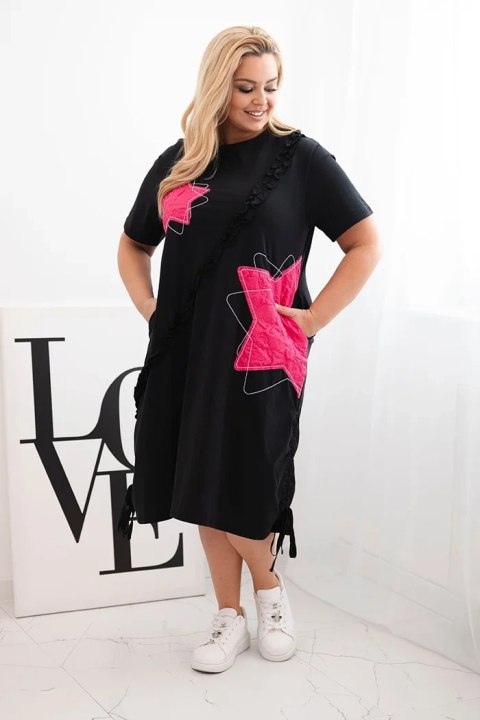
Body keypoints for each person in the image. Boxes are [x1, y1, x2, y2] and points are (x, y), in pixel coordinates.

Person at [117, 25, 382, 673]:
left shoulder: (301, 159)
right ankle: (228, 616)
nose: (261, 100)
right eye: (245, 88)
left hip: (266, 352)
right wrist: (152, 309)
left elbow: (365, 242)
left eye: (270, 86)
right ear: (217, 86)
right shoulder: (182, 162)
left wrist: (313, 318)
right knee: (200, 475)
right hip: (185, 351)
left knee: (249, 477)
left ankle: (270, 595)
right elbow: (134, 243)